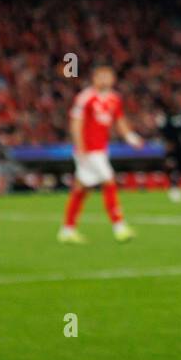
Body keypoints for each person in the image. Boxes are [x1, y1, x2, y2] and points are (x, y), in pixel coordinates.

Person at [58, 65, 145, 244]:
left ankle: (67, 229)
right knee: (109, 180)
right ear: (94, 78)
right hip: (88, 151)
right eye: (101, 76)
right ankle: (119, 226)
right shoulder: (85, 98)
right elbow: (76, 123)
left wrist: (131, 137)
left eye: (108, 76)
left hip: (101, 150)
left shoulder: (114, 99)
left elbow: (119, 121)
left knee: (81, 189)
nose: (105, 80)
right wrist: (80, 147)